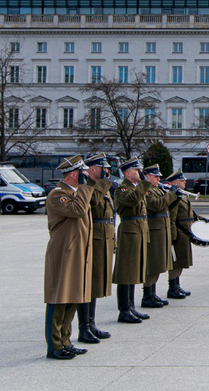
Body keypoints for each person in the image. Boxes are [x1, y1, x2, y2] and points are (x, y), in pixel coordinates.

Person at [43, 155, 93, 359]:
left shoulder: (75, 193)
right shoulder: (58, 194)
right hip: (63, 252)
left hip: (76, 251)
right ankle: (54, 346)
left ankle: (65, 340)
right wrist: (83, 187)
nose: (87, 176)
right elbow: (78, 211)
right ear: (74, 174)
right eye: (84, 173)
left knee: (72, 298)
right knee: (59, 298)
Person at [77, 153, 115, 344]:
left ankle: (91, 324)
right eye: (103, 168)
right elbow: (95, 202)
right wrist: (104, 183)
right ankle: (84, 328)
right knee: (88, 283)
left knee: (96, 283)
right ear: (92, 170)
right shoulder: (87, 187)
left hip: (104, 236)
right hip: (93, 238)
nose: (107, 172)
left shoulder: (100, 186)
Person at [112, 157, 151, 323]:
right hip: (129, 232)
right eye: (136, 170)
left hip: (138, 231)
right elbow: (132, 201)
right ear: (127, 174)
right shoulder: (122, 189)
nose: (139, 173)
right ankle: (124, 309)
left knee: (134, 270)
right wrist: (143, 184)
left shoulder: (135, 187)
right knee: (126, 271)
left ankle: (131, 306)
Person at [142, 165, 173, 309]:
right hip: (154, 230)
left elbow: (168, 206)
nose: (159, 179)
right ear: (147, 176)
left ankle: (152, 293)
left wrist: (175, 196)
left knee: (160, 263)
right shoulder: (147, 190)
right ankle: (147, 295)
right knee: (153, 263)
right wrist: (171, 194)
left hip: (162, 229)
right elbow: (156, 205)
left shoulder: (158, 189)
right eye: (156, 176)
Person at [165, 170, 196, 297]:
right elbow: (172, 217)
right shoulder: (174, 196)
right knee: (177, 261)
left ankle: (177, 285)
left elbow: (189, 213)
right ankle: (172, 288)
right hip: (179, 231)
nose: (184, 182)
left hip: (185, 231)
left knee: (182, 260)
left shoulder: (182, 195)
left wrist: (199, 218)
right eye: (181, 180)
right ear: (174, 183)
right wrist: (173, 236)